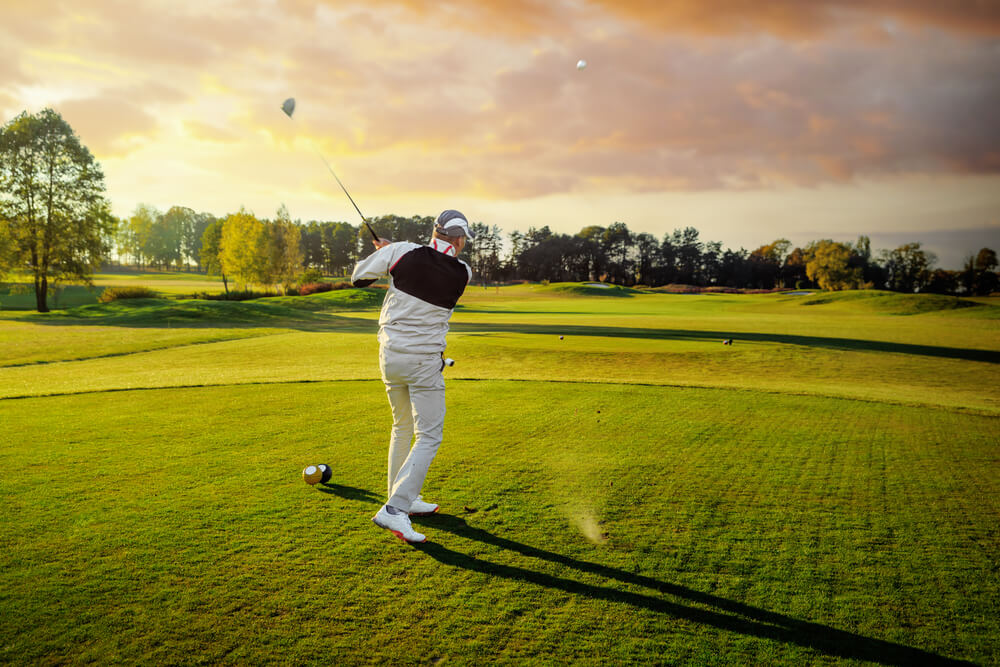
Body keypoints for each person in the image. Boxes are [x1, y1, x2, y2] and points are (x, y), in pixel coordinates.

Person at [350, 210, 475, 543]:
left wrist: (384, 253)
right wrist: (391, 253)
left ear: (434, 231)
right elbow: (429, 265)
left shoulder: (401, 252)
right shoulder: (463, 271)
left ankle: (403, 495)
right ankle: (395, 509)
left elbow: (358, 278)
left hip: (389, 356)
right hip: (422, 361)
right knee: (430, 435)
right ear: (460, 239)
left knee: (402, 426)